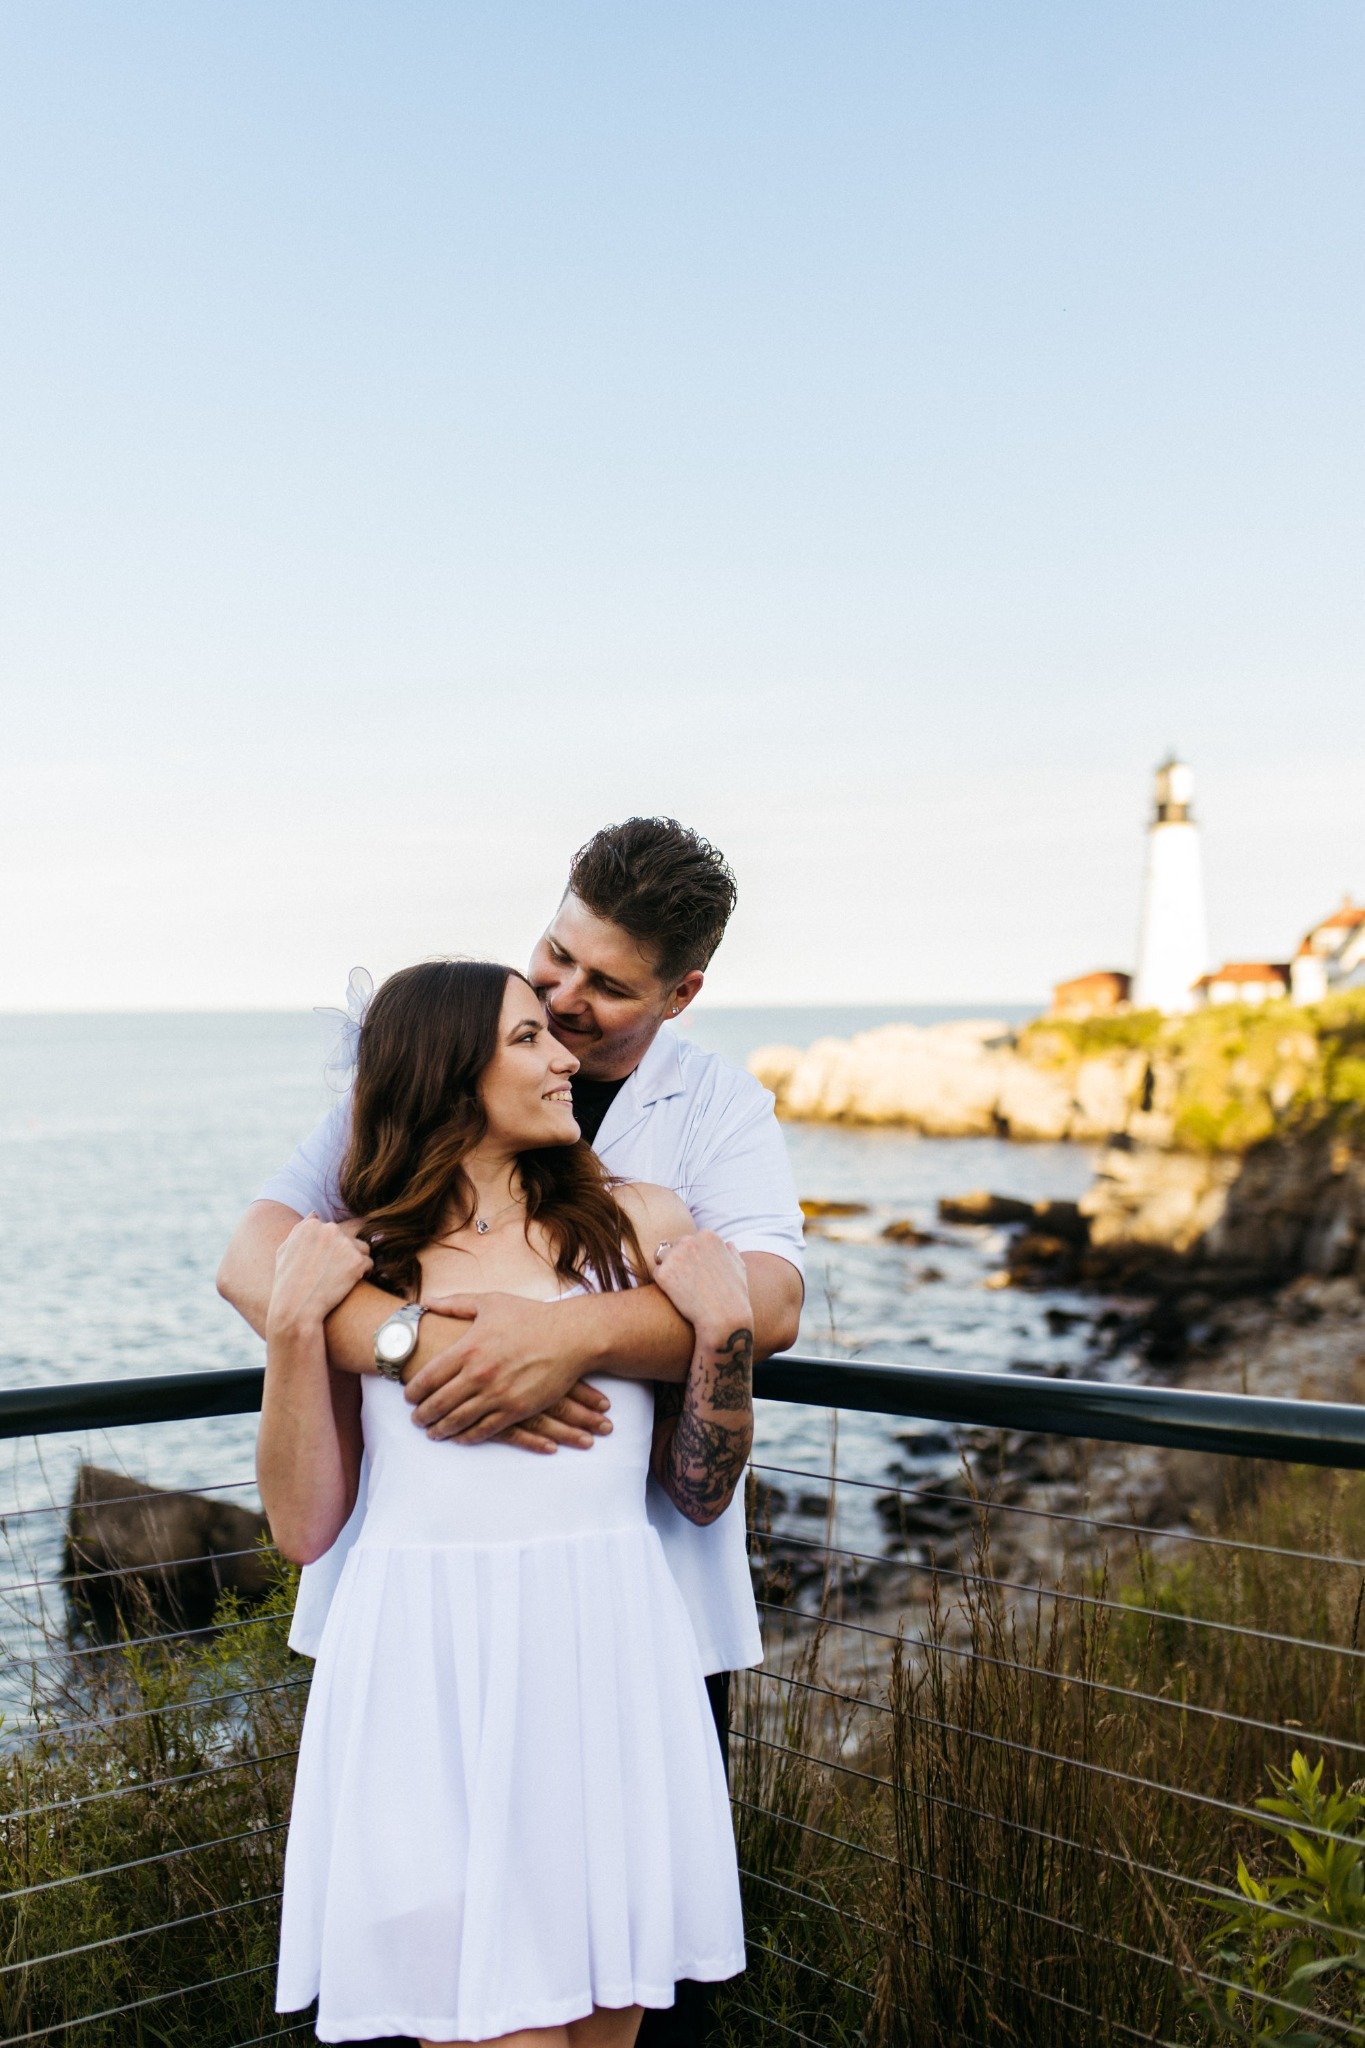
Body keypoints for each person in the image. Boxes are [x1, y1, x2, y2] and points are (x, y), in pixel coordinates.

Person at [218, 817, 806, 2046]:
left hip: (620, 1637)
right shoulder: (410, 1115)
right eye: (553, 965)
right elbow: (259, 1262)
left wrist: (572, 1339)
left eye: (603, 988)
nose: (563, 1002)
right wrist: (417, 1341)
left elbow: (763, 1299)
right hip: (429, 1648)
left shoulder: (673, 1162)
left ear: (681, 992)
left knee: (619, 2001)